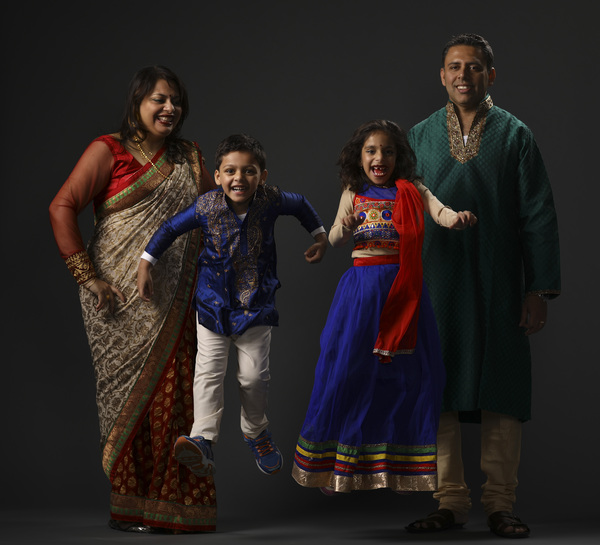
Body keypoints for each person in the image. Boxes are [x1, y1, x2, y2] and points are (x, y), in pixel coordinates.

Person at [49, 66, 218, 533]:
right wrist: (89, 278)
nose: (169, 108)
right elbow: (62, 207)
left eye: (176, 101)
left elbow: (217, 210)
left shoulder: (188, 156)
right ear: (137, 102)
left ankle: (174, 509)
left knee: (176, 398)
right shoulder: (109, 150)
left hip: (177, 299)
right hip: (118, 300)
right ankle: (129, 508)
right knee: (130, 403)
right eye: (159, 99)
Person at [405, 34, 561, 539]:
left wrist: (538, 289)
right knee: (439, 387)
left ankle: (500, 504)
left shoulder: (516, 135)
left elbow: (538, 214)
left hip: (498, 279)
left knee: (501, 386)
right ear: (441, 75)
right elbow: (399, 211)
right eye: (454, 66)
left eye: (473, 67)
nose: (463, 75)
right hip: (435, 279)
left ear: (490, 75)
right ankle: (449, 502)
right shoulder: (419, 136)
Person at [291, 120, 477, 495]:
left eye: (388, 151)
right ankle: (336, 468)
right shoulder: (354, 191)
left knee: (409, 378)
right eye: (372, 151)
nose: (380, 158)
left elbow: (439, 211)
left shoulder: (412, 189)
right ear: (359, 157)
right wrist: (344, 226)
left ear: (398, 157)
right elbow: (337, 238)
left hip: (403, 291)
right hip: (361, 294)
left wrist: (456, 219)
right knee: (347, 372)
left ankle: (396, 467)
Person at [137, 133, 327, 481]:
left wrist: (320, 236)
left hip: (256, 306)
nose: (239, 178)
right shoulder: (206, 206)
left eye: (249, 171)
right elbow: (170, 228)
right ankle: (202, 439)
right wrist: (146, 263)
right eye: (230, 171)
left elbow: (300, 204)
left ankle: (256, 432)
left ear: (262, 176)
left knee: (254, 378)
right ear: (218, 175)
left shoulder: (271, 200)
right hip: (212, 306)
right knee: (208, 374)